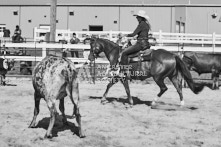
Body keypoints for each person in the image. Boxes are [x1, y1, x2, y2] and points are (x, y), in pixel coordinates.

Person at [120, 10, 151, 77]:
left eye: (138, 17)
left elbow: (133, 34)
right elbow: (142, 34)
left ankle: (124, 72)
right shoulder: (146, 24)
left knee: (124, 53)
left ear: (141, 17)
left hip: (140, 44)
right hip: (145, 43)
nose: (136, 18)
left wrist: (124, 35)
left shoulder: (141, 24)